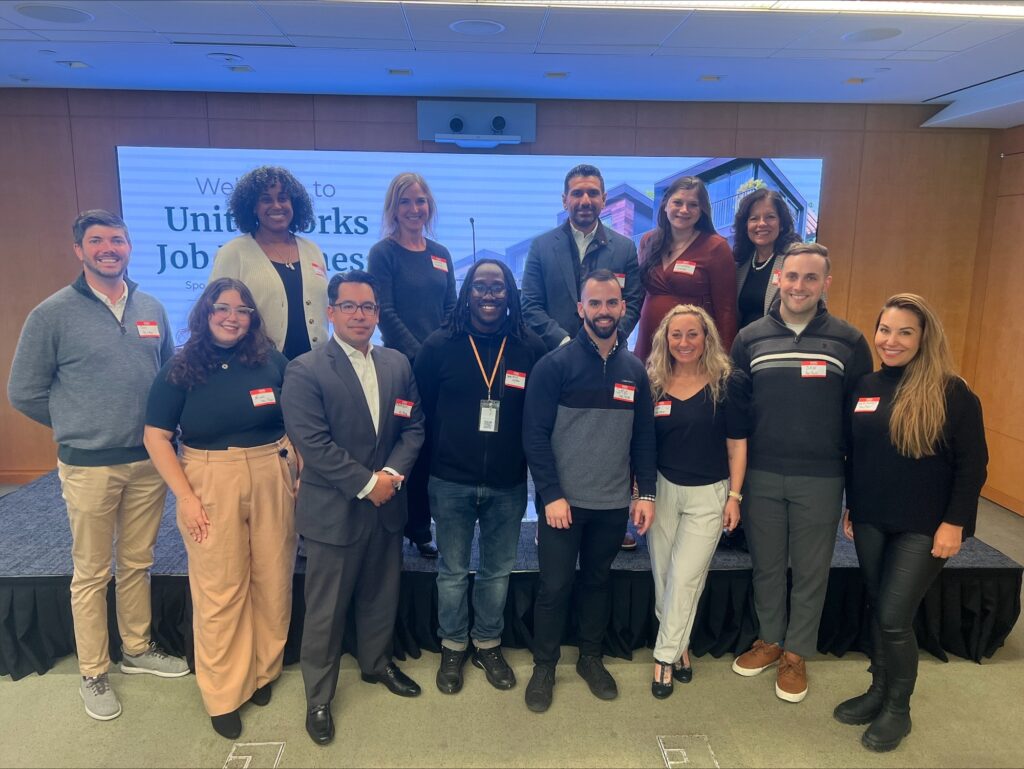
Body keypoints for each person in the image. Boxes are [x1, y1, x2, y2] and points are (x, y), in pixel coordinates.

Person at [7, 210, 188, 721]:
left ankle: (136, 648)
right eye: (97, 241)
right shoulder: (51, 314)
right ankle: (94, 671)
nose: (109, 248)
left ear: (129, 248)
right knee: (91, 571)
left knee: (138, 562)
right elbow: (24, 392)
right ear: (79, 251)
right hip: (88, 466)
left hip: (148, 462)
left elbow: (170, 374)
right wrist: (76, 424)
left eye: (118, 240)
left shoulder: (152, 306)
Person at [143, 278, 297, 739]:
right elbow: (156, 436)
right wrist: (186, 498)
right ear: (205, 313)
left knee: (273, 578)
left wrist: (297, 471)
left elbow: (297, 416)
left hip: (272, 469)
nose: (232, 317)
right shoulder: (180, 366)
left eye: (242, 309)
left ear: (253, 316)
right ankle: (224, 692)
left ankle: (263, 671)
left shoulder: (272, 360)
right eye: (222, 308)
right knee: (220, 589)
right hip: (209, 478)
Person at [836, 293, 987, 752]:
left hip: (925, 525)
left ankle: (899, 709)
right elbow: (856, 455)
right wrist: (851, 507)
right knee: (879, 605)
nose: (891, 340)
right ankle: (878, 689)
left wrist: (954, 523)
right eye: (885, 330)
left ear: (924, 337)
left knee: (894, 615)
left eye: (905, 332)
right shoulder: (865, 385)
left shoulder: (951, 391)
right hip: (871, 518)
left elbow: (973, 465)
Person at [281, 270, 425, 747]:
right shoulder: (305, 369)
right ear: (331, 311)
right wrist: (366, 483)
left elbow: (413, 427)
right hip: (335, 510)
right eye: (349, 306)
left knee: (381, 596)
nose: (360, 315)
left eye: (368, 308)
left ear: (378, 314)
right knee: (325, 612)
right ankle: (318, 697)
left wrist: (390, 478)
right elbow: (313, 443)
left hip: (386, 505)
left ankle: (376, 664)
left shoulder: (397, 363)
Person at [729, 242, 872, 703]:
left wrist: (855, 492)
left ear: (826, 283)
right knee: (766, 566)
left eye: (811, 278)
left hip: (822, 477)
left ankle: (796, 652)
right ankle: (770, 639)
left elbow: (860, 420)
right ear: (777, 278)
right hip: (762, 475)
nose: (799, 286)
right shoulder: (749, 338)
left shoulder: (848, 341)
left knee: (812, 571)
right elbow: (736, 414)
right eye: (792, 276)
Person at [522, 269, 656, 713]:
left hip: (612, 504)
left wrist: (646, 494)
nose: (603, 311)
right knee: (555, 587)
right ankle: (545, 666)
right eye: (594, 303)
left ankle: (591, 659)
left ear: (622, 308)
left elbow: (644, 439)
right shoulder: (553, 366)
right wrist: (551, 495)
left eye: (611, 303)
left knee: (598, 583)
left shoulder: (635, 369)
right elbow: (534, 436)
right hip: (563, 504)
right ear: (580, 309)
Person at [414, 259, 547, 695]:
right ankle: (453, 644)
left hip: (509, 483)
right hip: (450, 479)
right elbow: (424, 412)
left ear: (510, 293)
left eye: (497, 287)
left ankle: (487, 642)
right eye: (480, 287)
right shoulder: (439, 346)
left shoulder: (529, 348)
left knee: (497, 572)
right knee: (452, 572)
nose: (489, 295)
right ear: (466, 293)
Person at [521, 163, 645, 552]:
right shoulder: (542, 246)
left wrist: (608, 341)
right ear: (565, 200)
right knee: (553, 437)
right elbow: (530, 305)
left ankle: (613, 521)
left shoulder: (624, 248)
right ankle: (549, 515)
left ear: (604, 199)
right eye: (577, 193)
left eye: (592, 193)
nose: (585, 200)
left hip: (610, 360)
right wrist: (566, 344)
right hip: (558, 362)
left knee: (611, 440)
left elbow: (634, 300)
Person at [645, 305, 748, 699]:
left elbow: (737, 446)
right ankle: (682, 647)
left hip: (710, 493)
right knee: (664, 578)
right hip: (663, 490)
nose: (684, 342)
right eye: (676, 335)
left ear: (707, 338)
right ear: (664, 340)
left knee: (686, 577)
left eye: (693, 334)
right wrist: (642, 492)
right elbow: (643, 444)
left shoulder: (727, 382)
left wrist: (735, 496)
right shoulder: (652, 382)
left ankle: (663, 658)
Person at [367, 172, 455, 559]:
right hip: (402, 366)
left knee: (433, 447)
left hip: (439, 365)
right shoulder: (383, 253)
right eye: (405, 202)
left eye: (420, 201)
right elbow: (383, 311)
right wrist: (420, 354)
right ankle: (393, 525)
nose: (414, 209)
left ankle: (421, 526)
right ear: (393, 208)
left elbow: (452, 308)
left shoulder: (440, 253)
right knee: (402, 447)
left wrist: (444, 352)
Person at [209, 165, 329, 360]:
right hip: (258, 366)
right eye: (266, 200)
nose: (277, 206)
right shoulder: (233, 252)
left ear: (294, 204)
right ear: (253, 207)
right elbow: (216, 314)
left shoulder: (312, 249)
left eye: (283, 198)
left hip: (316, 368)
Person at [634, 177, 737, 360]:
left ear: (702, 210)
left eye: (693, 205)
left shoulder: (716, 247)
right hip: (648, 341)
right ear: (665, 205)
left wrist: (725, 360)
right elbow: (639, 297)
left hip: (690, 347)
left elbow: (726, 311)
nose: (684, 210)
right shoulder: (648, 241)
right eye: (678, 202)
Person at [732, 188, 801, 330]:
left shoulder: (796, 258)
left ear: (781, 224)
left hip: (782, 346)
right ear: (745, 226)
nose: (762, 223)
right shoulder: (741, 263)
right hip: (744, 346)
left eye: (770, 217)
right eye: (754, 218)